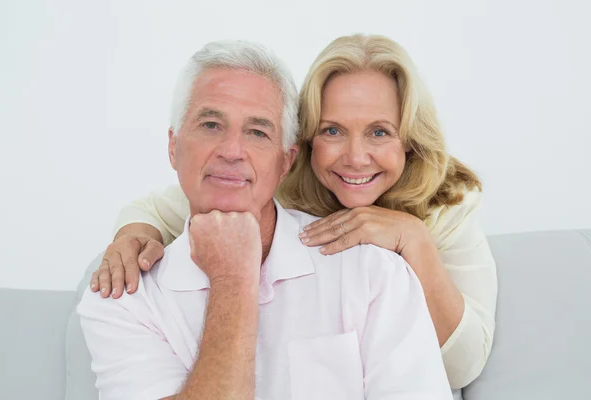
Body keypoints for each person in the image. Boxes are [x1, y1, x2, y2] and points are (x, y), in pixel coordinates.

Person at [91, 34, 497, 390]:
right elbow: (174, 201)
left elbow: (461, 366)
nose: (355, 157)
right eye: (332, 130)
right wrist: (131, 237)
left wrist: (414, 240)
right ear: (301, 148)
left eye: (379, 131)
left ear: (409, 141)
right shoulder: (276, 182)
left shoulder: (443, 210)